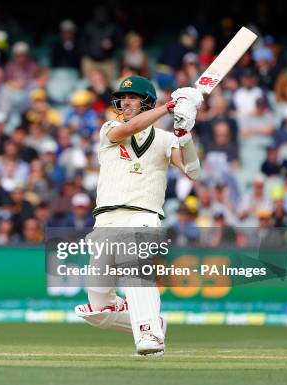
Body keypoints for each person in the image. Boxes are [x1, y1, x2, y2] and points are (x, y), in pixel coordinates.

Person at [74, 75, 203, 356]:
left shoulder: (167, 140)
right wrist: (172, 107)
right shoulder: (109, 128)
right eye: (122, 97)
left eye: (131, 97)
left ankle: (149, 334)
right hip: (105, 220)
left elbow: (193, 171)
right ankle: (154, 322)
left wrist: (185, 135)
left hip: (142, 215)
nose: (125, 102)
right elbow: (131, 128)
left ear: (146, 101)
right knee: (97, 309)